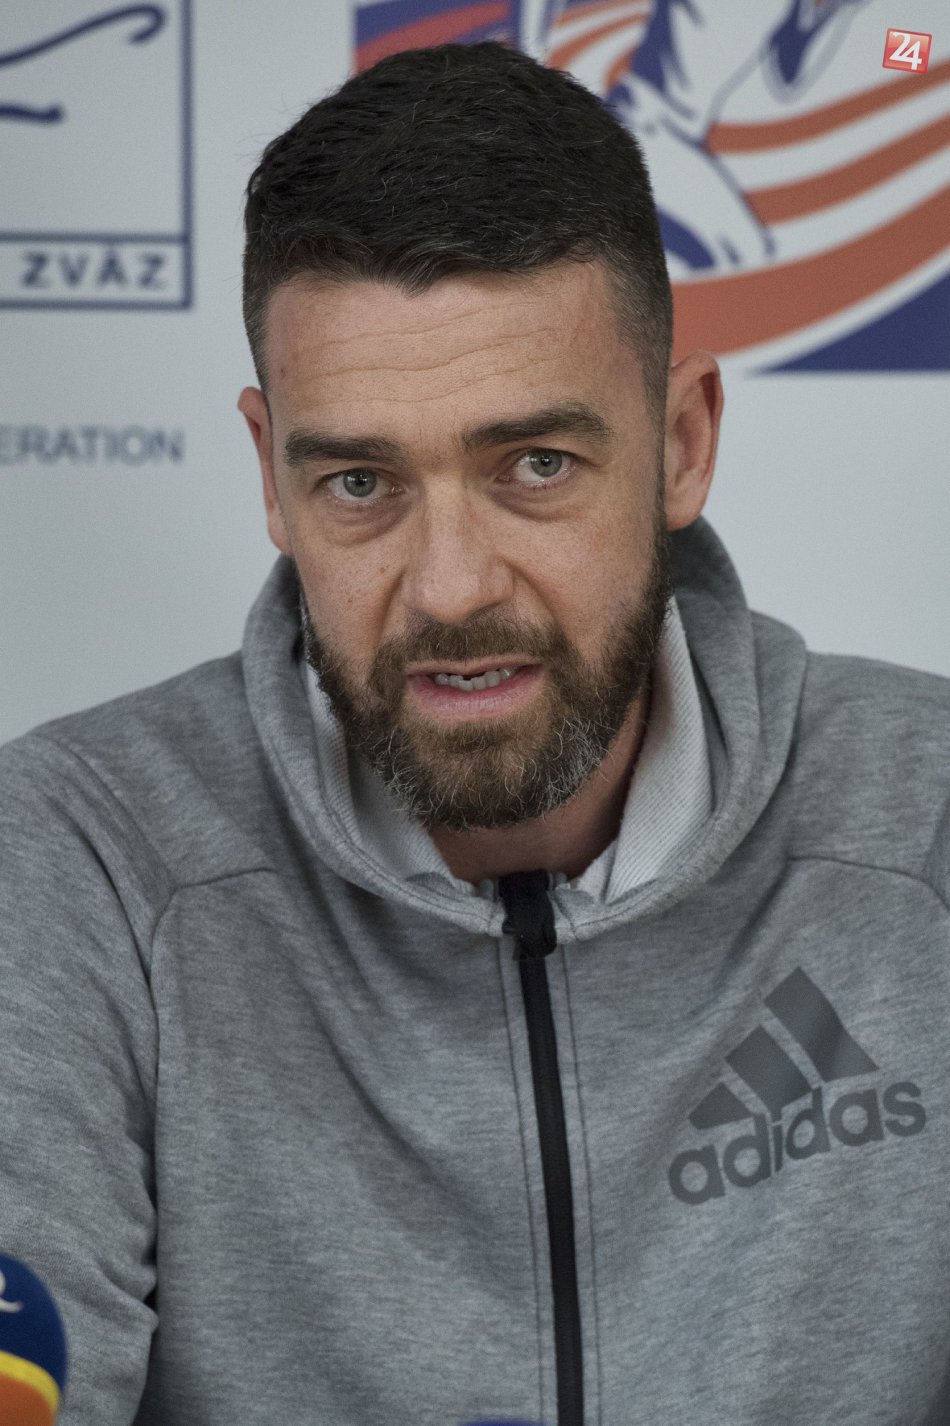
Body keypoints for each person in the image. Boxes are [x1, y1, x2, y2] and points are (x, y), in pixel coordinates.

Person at [1, 39, 948, 1426]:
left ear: (681, 441)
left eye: (535, 465)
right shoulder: (80, 854)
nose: (449, 587)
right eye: (360, 481)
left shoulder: (925, 821)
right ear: (271, 475)